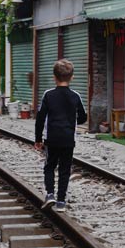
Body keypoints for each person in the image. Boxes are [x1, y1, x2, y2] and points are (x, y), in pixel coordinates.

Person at [34, 59, 87, 211]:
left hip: (52, 138)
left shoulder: (48, 95)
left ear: (54, 77)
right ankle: (61, 202)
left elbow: (40, 118)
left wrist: (38, 139)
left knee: (49, 166)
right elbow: (83, 117)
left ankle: (50, 194)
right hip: (68, 139)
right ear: (72, 77)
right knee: (65, 169)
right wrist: (71, 120)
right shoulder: (75, 96)